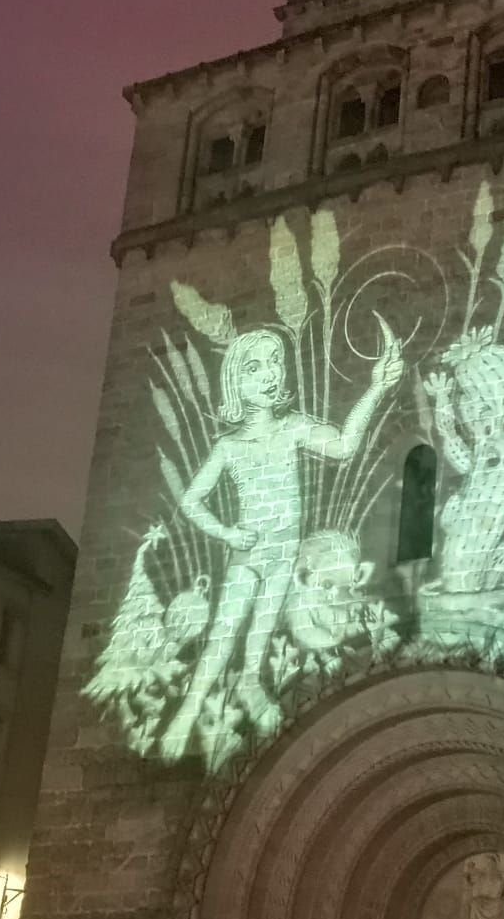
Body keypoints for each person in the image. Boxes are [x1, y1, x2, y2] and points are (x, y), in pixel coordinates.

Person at [162, 321, 402, 757]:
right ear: (236, 379)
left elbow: (345, 445)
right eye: (255, 367)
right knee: (223, 631)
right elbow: (191, 501)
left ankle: (252, 683)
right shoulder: (228, 446)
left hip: (282, 551)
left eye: (275, 363)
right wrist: (228, 532)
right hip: (247, 551)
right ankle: (188, 709)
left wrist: (375, 389)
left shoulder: (293, 427)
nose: (270, 373)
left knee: (261, 628)